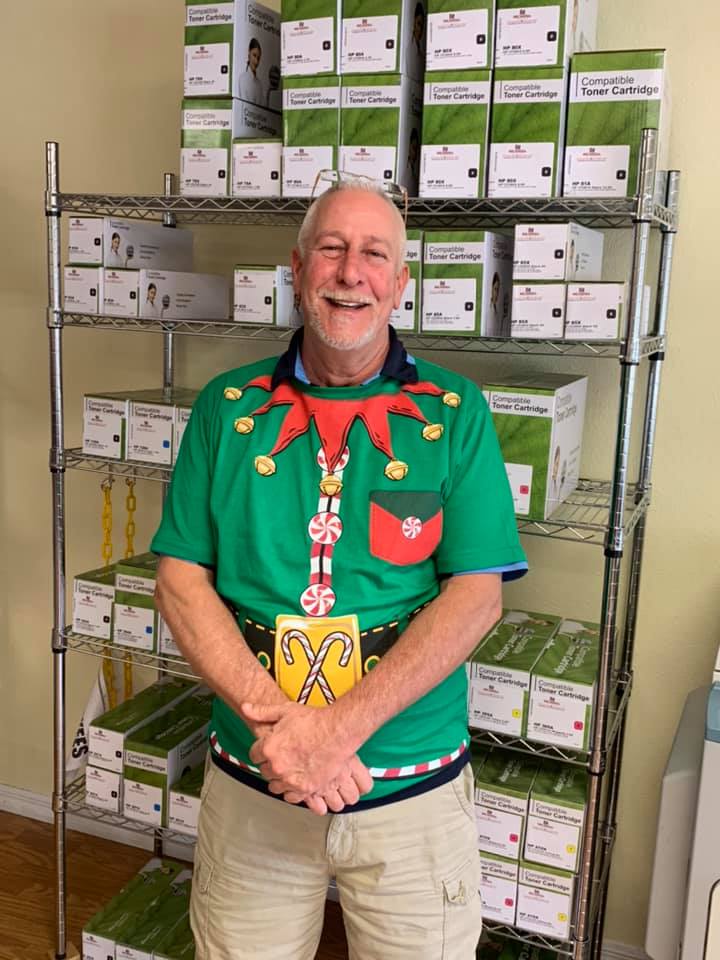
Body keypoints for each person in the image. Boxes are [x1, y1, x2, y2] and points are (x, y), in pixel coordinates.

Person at [152, 180, 527, 959]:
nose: (351, 272)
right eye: (331, 249)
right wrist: (284, 732)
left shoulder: (455, 412)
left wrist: (334, 734)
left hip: (411, 797)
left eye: (374, 254)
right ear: (297, 270)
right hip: (257, 781)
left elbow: (475, 599)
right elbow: (180, 583)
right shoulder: (225, 407)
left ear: (400, 282)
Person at [237, 37, 268, 108]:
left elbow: (264, 108)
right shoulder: (243, 79)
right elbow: (245, 107)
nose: (256, 61)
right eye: (254, 55)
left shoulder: (259, 83)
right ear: (249, 53)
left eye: (258, 58)